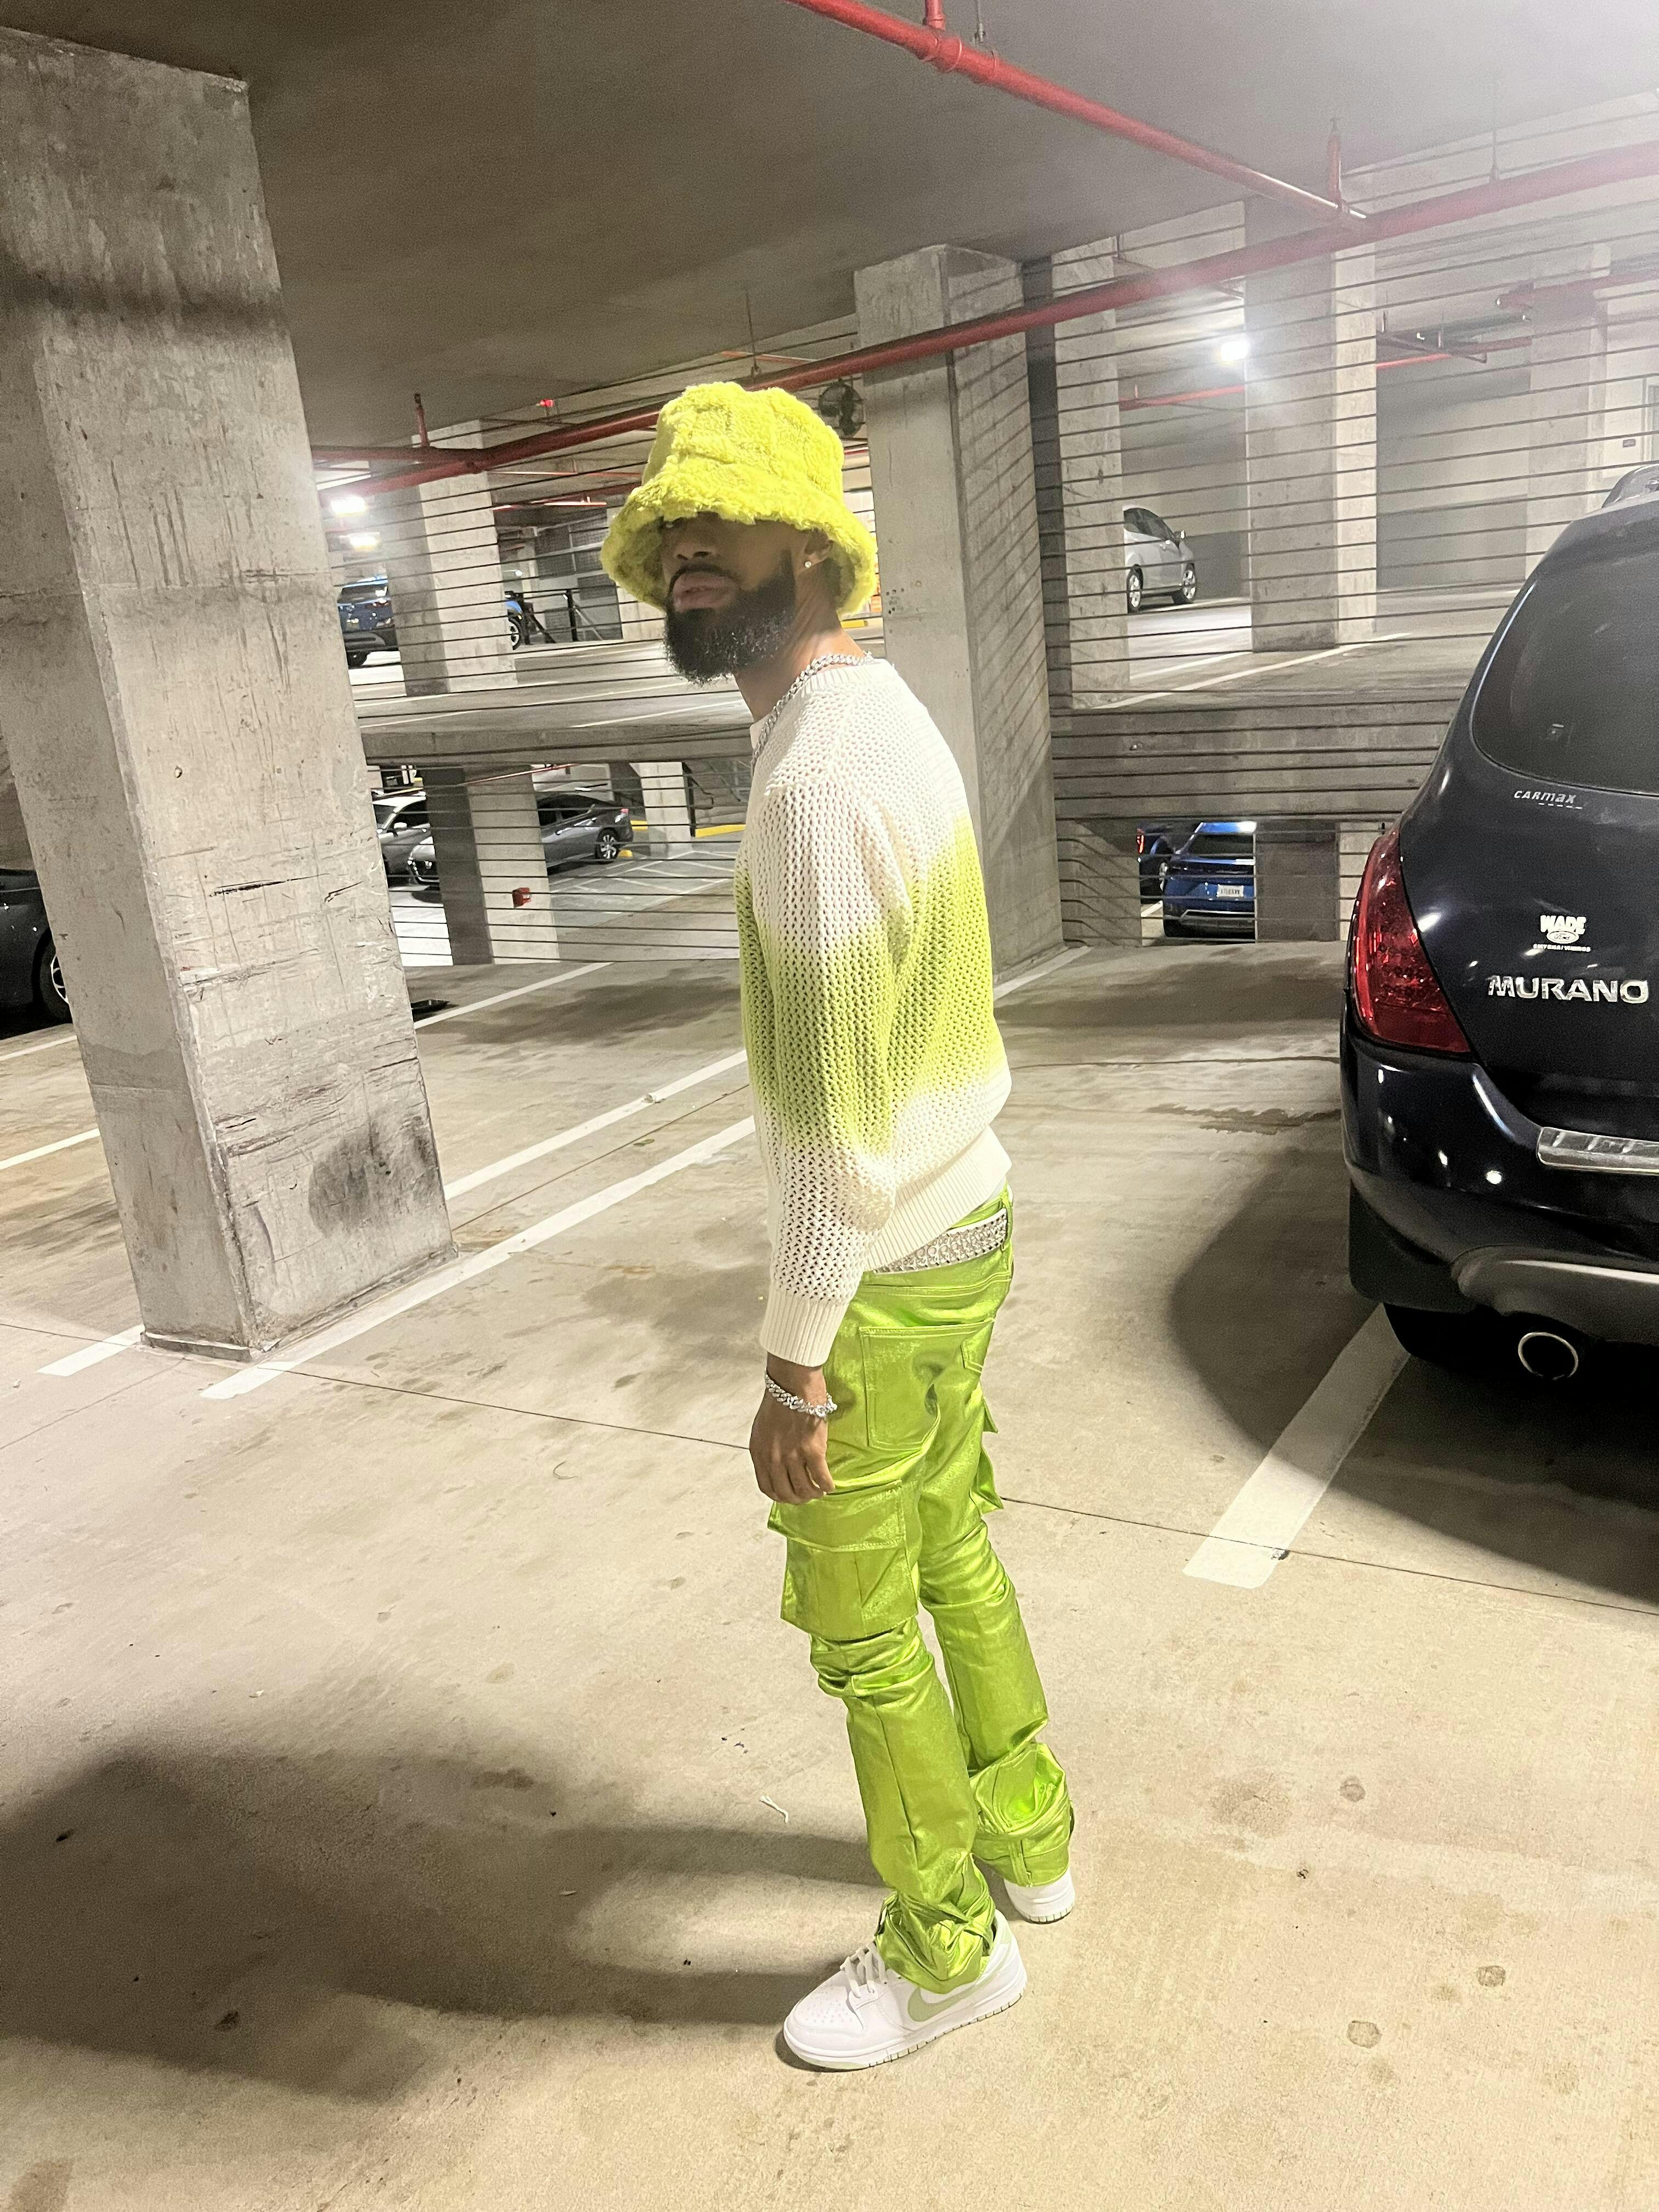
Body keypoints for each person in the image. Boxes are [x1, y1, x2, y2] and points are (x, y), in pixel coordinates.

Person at [601, 383, 1073, 2070]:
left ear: (814, 546)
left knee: (867, 1634)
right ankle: (1030, 1840)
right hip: (971, 1224)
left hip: (880, 1277)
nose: (691, 556)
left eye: (722, 527)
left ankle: (947, 1950)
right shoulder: (879, 716)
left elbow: (828, 1134)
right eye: (673, 533)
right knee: (955, 1547)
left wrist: (791, 1368)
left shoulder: (811, 790)